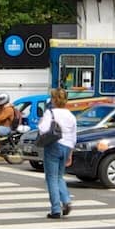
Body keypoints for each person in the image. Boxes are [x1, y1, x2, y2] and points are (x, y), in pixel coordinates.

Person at [38, 88, 78, 219]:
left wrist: (40, 124)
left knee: (51, 178)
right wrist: (70, 153)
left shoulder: (50, 113)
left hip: (54, 145)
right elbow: (73, 136)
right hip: (67, 146)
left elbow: (43, 129)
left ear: (54, 99)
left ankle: (55, 209)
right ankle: (66, 200)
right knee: (60, 176)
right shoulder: (71, 115)